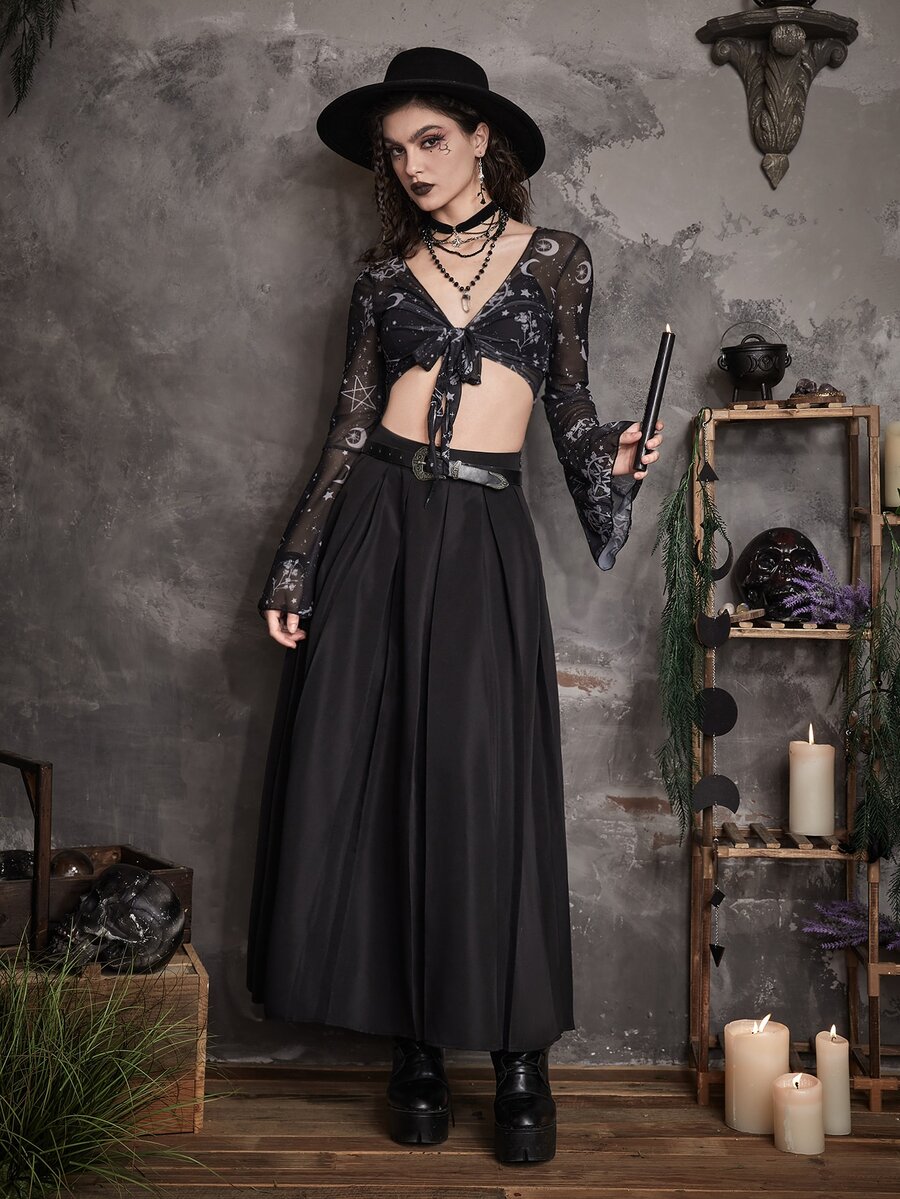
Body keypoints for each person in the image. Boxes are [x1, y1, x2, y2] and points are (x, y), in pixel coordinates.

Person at [246, 46, 664, 1165]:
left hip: (484, 533)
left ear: (483, 139)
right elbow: (347, 426)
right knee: (384, 779)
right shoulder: (382, 280)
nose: (413, 165)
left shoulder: (558, 259)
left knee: (486, 779)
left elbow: (568, 407)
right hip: (377, 528)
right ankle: (416, 1049)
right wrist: (293, 565)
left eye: (431, 139)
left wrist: (614, 458)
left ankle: (520, 1057)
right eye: (396, 151)